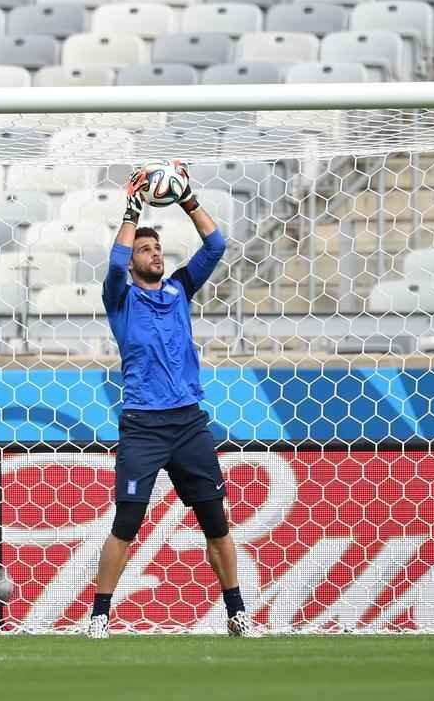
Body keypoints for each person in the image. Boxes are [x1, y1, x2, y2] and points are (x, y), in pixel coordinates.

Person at [88, 163, 262, 639]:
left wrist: (187, 199)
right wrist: (133, 208)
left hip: (188, 423)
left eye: (158, 247)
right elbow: (113, 260)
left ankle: (237, 612)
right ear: (133, 259)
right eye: (146, 248)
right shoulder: (120, 297)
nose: (154, 253)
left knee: (215, 521)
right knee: (126, 522)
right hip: (143, 425)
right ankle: (100, 616)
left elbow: (217, 245)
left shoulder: (180, 290)